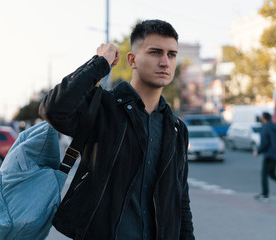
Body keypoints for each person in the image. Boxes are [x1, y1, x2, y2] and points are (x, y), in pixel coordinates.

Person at [39, 19, 194, 240]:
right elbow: (53, 109)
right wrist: (100, 63)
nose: (165, 62)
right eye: (155, 52)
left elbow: (180, 200)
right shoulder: (104, 107)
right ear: (132, 60)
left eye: (172, 54)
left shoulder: (177, 129)